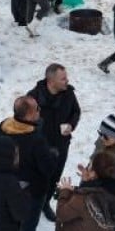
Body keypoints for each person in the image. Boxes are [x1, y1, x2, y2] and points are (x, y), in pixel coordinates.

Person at [0, 96, 58, 231]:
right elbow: (47, 168)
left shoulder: (3, 127)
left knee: (11, 219)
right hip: (32, 190)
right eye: (37, 109)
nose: (40, 110)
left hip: (9, 184)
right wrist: (53, 155)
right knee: (28, 224)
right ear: (29, 115)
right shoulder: (35, 140)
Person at [27, 64, 82, 221]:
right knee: (35, 178)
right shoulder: (33, 97)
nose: (67, 80)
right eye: (63, 78)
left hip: (60, 145)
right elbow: (23, 120)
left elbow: (76, 111)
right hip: (38, 147)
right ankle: (31, 205)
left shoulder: (69, 94)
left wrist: (71, 124)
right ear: (51, 81)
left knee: (54, 177)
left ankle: (45, 204)